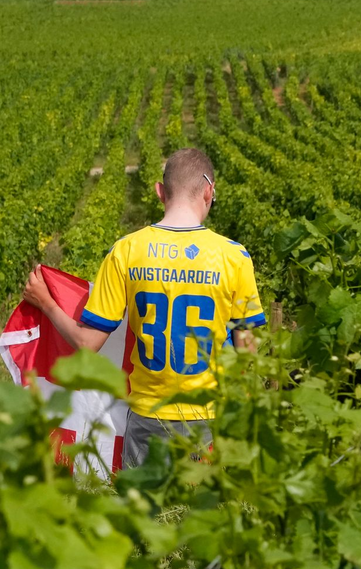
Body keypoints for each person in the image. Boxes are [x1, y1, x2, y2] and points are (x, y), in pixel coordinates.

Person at [21, 148, 265, 469]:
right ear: (208, 192)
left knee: (142, 513)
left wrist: (47, 303)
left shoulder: (125, 250)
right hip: (210, 418)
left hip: (148, 417)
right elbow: (249, 354)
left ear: (159, 191)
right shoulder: (235, 257)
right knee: (202, 514)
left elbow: (85, 345)